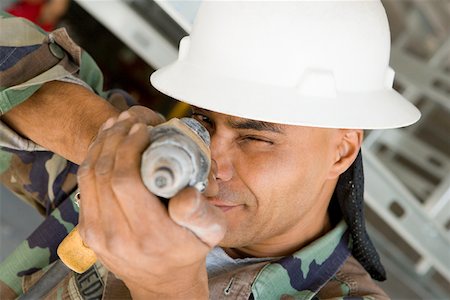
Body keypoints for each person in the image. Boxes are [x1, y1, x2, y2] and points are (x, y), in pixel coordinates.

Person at [0, 1, 420, 299]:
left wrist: (168, 288)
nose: (212, 163)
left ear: (341, 151)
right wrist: (103, 138)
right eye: (205, 122)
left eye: (254, 137)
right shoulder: (151, 168)